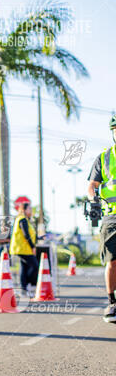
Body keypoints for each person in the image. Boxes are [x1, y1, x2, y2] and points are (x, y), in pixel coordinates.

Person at [87, 114, 116, 322]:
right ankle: (111, 303)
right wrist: (93, 198)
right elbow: (92, 185)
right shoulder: (104, 157)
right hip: (112, 216)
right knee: (112, 261)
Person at [9, 202, 38, 295]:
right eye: (29, 209)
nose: (31, 211)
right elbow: (26, 234)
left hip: (23, 249)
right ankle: (28, 285)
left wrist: (40, 237)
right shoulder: (22, 219)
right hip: (22, 249)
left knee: (24, 268)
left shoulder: (25, 220)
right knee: (35, 266)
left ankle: (24, 289)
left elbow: (30, 234)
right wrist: (33, 247)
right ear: (24, 210)